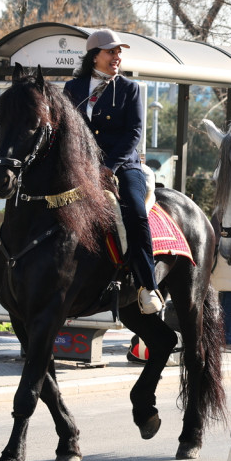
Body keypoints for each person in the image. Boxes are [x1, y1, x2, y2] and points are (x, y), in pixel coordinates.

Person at [64, 30, 163, 315]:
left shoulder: (130, 88)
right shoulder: (73, 88)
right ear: (95, 55)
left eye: (119, 52)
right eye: (111, 52)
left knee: (134, 209)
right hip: (81, 166)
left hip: (121, 165)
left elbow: (134, 133)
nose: (117, 57)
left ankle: (147, 285)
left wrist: (109, 167)